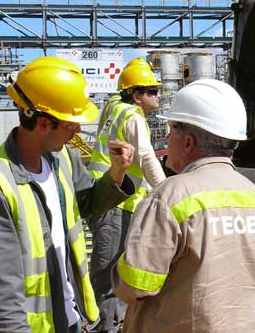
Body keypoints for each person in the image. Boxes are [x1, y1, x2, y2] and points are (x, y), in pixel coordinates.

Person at [0, 56, 136, 333]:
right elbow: (0, 300)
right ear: (43, 124)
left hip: (70, 319)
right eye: (71, 123)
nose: (78, 130)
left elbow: (87, 204)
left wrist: (116, 173)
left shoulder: (62, 160)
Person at [113, 79, 255, 333]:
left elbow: (135, 286)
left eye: (171, 130)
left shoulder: (168, 198)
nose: (167, 138)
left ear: (188, 142)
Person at [86, 57, 166, 333]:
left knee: (113, 266)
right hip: (116, 201)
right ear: (136, 95)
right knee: (110, 269)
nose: (158, 94)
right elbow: (146, 158)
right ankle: (105, 326)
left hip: (109, 196)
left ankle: (111, 322)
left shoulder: (111, 107)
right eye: (152, 90)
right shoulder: (132, 116)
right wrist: (168, 192)